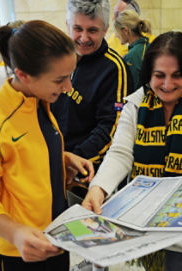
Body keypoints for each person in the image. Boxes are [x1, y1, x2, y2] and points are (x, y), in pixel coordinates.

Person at [83, 31, 182, 271]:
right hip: (146, 223)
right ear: (148, 75)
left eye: (177, 76)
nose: (167, 85)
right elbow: (121, 153)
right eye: (159, 76)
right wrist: (98, 188)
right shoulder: (136, 105)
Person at [0, 20, 95, 270]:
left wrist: (60, 158)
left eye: (69, 77)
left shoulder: (38, 102)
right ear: (22, 75)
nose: (68, 88)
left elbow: (22, 154)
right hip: (14, 254)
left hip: (53, 239)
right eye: (59, 80)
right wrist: (15, 233)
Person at [51, 0, 134, 172]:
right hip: (52, 161)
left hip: (85, 170)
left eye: (92, 30)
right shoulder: (54, 59)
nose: (83, 38)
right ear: (67, 25)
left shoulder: (114, 69)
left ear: (105, 29)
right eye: (78, 29)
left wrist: (72, 160)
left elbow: (111, 130)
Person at [114, 9, 151, 89]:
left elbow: (132, 90)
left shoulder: (132, 56)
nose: (116, 36)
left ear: (125, 31)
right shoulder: (146, 46)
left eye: (117, 32)